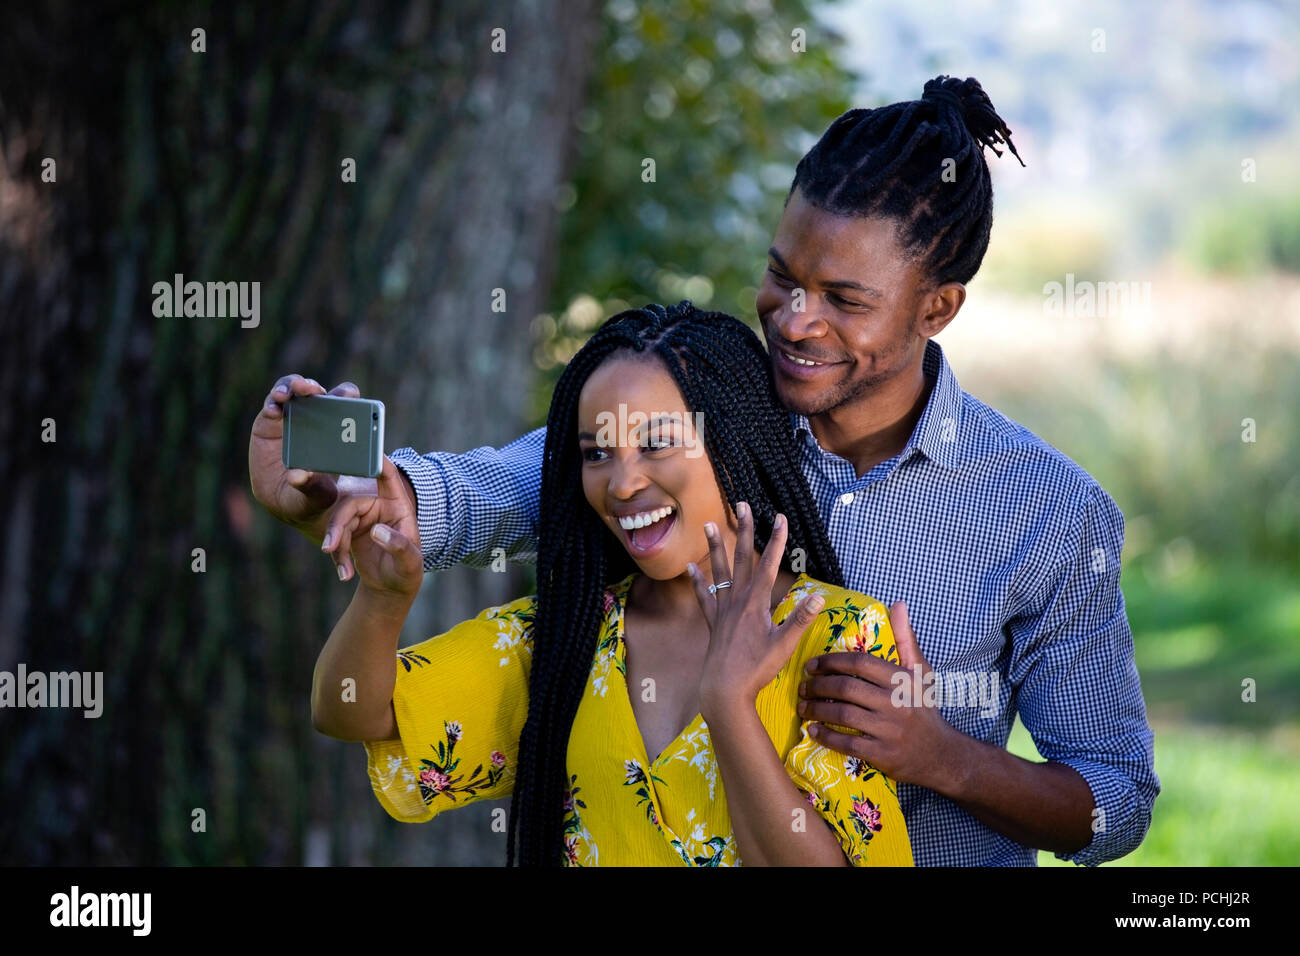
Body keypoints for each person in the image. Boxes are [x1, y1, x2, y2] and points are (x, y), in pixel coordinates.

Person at [249, 75, 1159, 865]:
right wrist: (353, 494)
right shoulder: (704, 407)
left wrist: (940, 755)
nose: (796, 321)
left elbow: (1117, 802)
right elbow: (509, 488)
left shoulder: (1047, 514)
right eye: (781, 276)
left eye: (844, 300)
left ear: (940, 307)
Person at [308, 303, 914, 866]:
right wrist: (382, 602)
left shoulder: (834, 630)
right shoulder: (570, 634)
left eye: (657, 444)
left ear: (734, 442)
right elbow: (352, 713)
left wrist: (730, 703)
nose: (622, 484)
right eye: (597, 454)